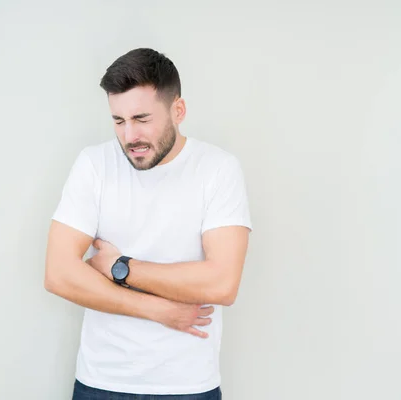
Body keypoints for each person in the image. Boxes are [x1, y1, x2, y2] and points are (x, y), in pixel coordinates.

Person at [44, 48, 252, 400]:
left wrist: (119, 268)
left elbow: (222, 283)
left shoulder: (217, 169)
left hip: (188, 386)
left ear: (178, 110)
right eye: (119, 120)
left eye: (142, 118)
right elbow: (58, 273)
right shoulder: (94, 164)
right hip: (101, 383)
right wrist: (158, 310)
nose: (129, 136)